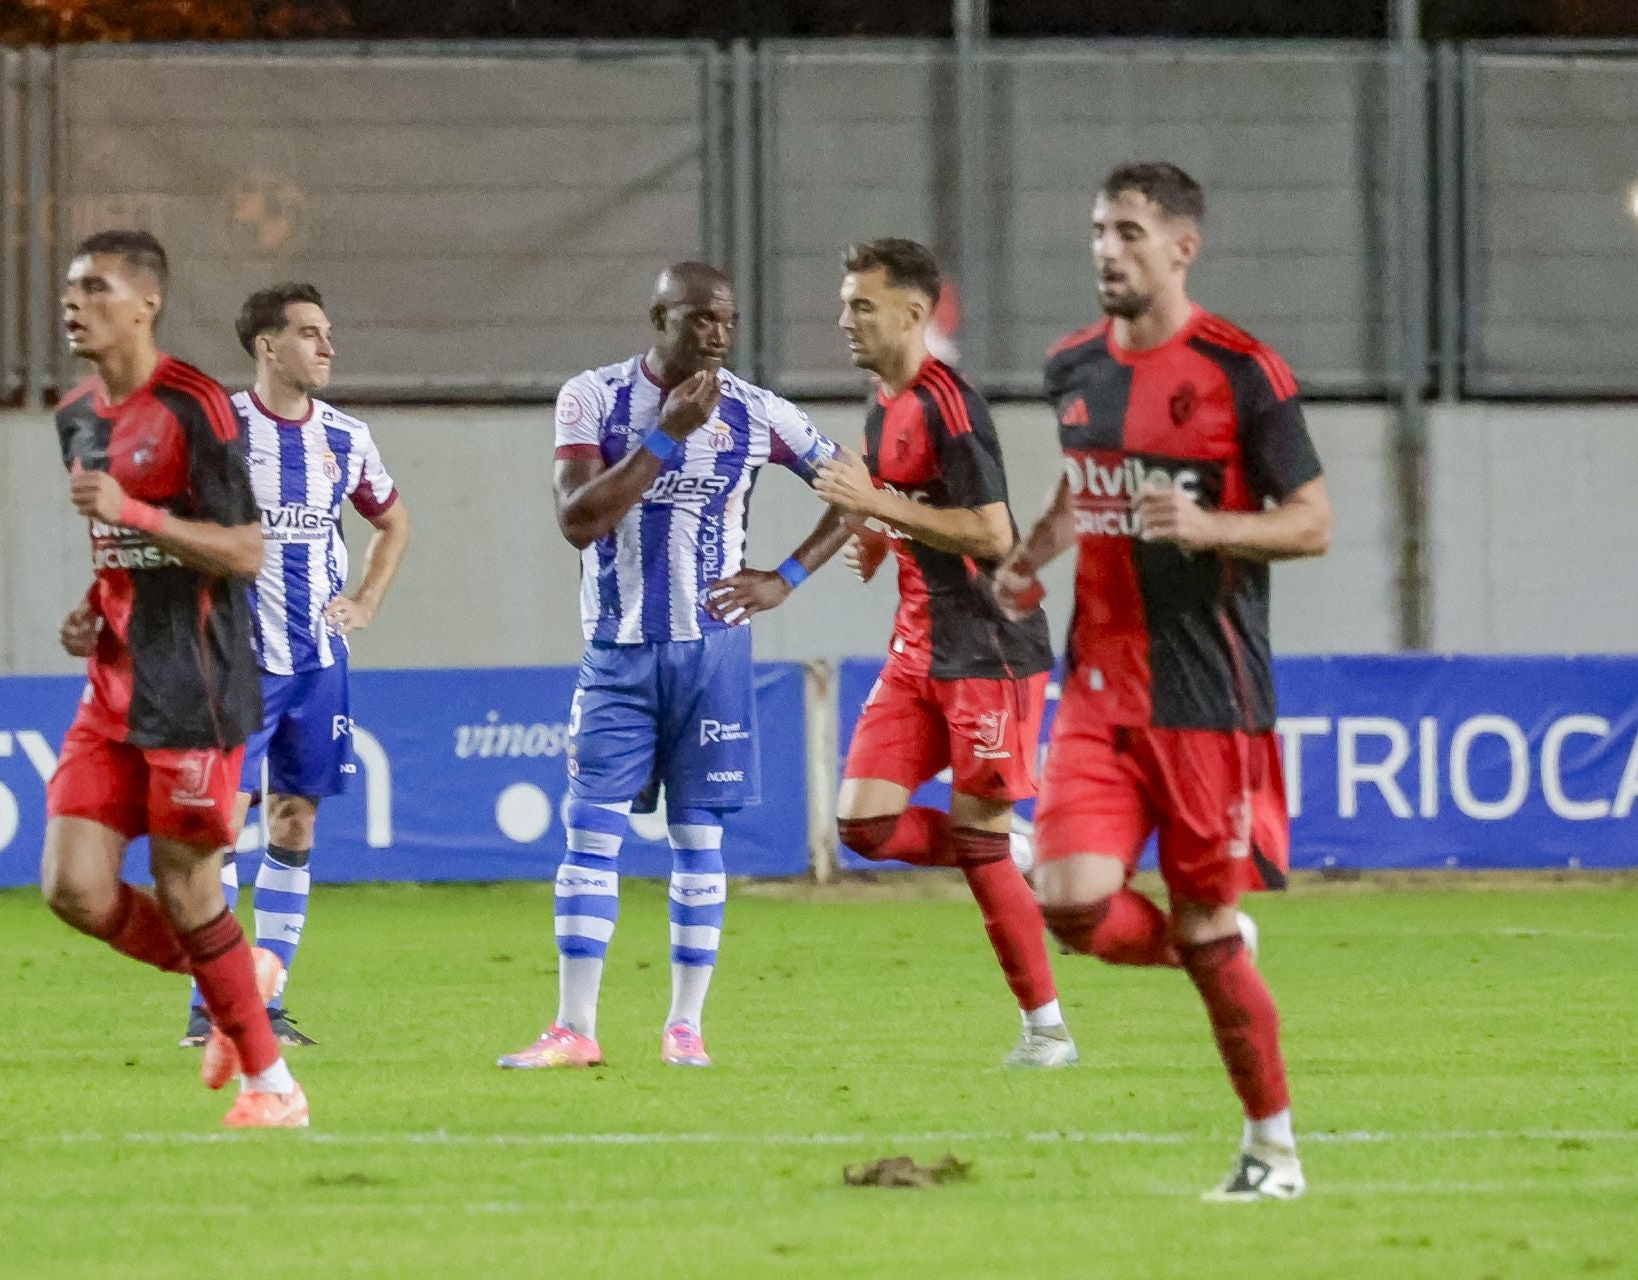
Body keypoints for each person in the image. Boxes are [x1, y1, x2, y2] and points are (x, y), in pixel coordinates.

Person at [994, 162, 1332, 1199]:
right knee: (1069, 898)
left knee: (1198, 925)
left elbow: (1312, 520)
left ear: (1183, 247)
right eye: (1098, 230)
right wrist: (1032, 554)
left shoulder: (1244, 372)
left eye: (1130, 232)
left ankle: (1271, 1149)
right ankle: (1216, 946)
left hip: (1206, 699)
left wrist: (1211, 525)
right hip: (1098, 685)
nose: (1108, 249)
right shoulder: (1072, 368)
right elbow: (1079, 479)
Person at [497, 262, 850, 1070]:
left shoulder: (759, 412)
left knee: (698, 840)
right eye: (700, 320)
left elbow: (854, 489)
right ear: (659, 318)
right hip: (618, 655)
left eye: (727, 320)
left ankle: (685, 1027)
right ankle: (574, 1028)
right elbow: (577, 521)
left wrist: (785, 577)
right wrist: (666, 438)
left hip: (713, 658)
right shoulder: (593, 398)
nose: (718, 335)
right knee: (589, 835)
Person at [791, 238, 1075, 1069]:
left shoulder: (952, 405)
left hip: (990, 645)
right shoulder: (884, 399)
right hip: (918, 646)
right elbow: (916, 507)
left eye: (861, 306)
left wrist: (876, 503)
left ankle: (1047, 1032)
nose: (845, 319)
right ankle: (1014, 848)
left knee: (978, 844)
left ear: (914, 313)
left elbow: (992, 532)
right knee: (865, 827)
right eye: (846, 303)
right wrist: (881, 535)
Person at [45, 229, 307, 1128]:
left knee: (191, 890)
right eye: (70, 288)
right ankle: (239, 971)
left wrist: (136, 512)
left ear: (146, 302)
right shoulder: (75, 412)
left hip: (194, 686)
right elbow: (117, 552)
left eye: (95, 287)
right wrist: (90, 609)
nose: (74, 302)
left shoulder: (198, 406)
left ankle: (272, 1086)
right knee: (72, 888)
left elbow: (243, 551)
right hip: (113, 684)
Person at [177, 283, 410, 1049]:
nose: (328, 346)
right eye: (311, 333)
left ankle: (265, 1002)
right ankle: (211, 1006)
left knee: (296, 817)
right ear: (267, 346)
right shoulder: (220, 432)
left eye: (329, 331)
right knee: (220, 826)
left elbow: (393, 521)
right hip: (236, 664)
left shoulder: (346, 438)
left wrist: (368, 600)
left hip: (318, 660)